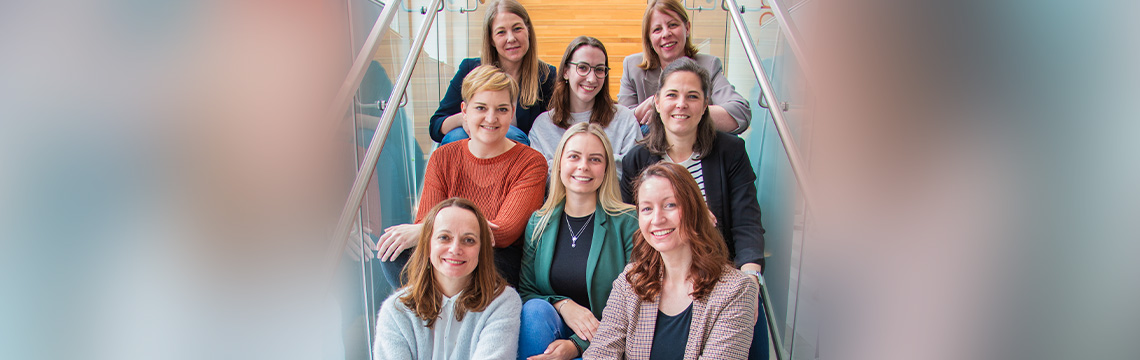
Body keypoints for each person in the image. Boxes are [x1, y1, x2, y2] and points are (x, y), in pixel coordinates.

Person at [620, 57, 770, 359]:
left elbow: (746, 221)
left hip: (719, 275)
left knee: (751, 306)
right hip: (661, 277)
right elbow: (632, 231)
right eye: (672, 95)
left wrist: (750, 279)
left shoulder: (730, 151)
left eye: (692, 97)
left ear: (705, 107)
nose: (681, 105)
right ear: (657, 104)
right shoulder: (637, 159)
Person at [377, 65, 547, 287]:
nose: (491, 118)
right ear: (464, 111)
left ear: (512, 112)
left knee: (467, 254)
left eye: (502, 109)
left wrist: (429, 229)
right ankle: (440, 310)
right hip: (449, 255)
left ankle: (444, 309)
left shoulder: (531, 162)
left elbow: (502, 232)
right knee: (395, 251)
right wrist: (430, 230)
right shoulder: (442, 158)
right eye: (481, 108)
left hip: (497, 260)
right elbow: (425, 219)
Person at [584, 162, 758, 360]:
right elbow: (599, 354)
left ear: (695, 209)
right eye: (647, 208)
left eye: (670, 205)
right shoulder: (631, 281)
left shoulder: (735, 290)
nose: (657, 219)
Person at [517, 123, 639, 360]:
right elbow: (527, 291)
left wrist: (577, 345)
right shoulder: (538, 222)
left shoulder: (628, 221)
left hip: (607, 340)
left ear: (606, 169)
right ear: (560, 162)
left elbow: (633, 303)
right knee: (534, 312)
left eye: (595, 159)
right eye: (574, 156)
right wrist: (564, 305)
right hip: (551, 333)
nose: (583, 166)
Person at [374, 198, 522, 360]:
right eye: (444, 237)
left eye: (469, 240)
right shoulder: (395, 311)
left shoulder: (503, 301)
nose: (455, 249)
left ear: (482, 250)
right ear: (428, 245)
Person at [429, 0, 557, 146]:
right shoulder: (470, 68)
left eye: (517, 29)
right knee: (456, 135)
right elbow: (436, 126)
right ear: (491, 39)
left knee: (511, 135)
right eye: (501, 32)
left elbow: (551, 131)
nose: (511, 38)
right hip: (472, 157)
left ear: (528, 30)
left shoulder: (546, 75)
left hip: (517, 159)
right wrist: (464, 118)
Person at [618, 0, 751, 134]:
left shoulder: (708, 66)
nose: (666, 34)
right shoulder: (633, 67)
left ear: (687, 28)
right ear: (649, 38)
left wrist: (674, 109)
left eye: (673, 25)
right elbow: (618, 124)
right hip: (650, 150)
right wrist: (641, 110)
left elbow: (740, 113)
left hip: (697, 150)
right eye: (657, 29)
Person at [529, 36, 642, 178]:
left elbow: (634, 172)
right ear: (565, 71)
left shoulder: (625, 119)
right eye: (582, 68)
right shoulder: (543, 125)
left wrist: (560, 165)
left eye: (599, 70)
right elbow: (539, 176)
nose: (591, 78)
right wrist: (610, 162)